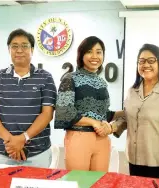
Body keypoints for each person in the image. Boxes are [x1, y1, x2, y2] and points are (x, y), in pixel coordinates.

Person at [0, 28, 57, 168]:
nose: (19, 50)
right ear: (9, 50)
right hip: (3, 152)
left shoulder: (45, 77)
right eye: (14, 46)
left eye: (24, 46)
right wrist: (11, 142)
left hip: (37, 154)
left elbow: (47, 114)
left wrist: (23, 138)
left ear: (32, 50)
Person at [112, 43, 159, 179]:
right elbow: (128, 118)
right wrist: (111, 127)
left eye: (151, 61)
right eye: (141, 61)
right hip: (134, 160)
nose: (145, 65)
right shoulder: (132, 91)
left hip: (158, 163)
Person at [54, 36, 124, 171]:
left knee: (99, 183)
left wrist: (125, 113)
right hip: (79, 137)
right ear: (81, 55)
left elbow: (102, 114)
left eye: (99, 52)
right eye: (89, 51)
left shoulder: (102, 82)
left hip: (102, 140)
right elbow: (64, 112)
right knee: (79, 183)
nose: (94, 56)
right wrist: (93, 122)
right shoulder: (70, 78)